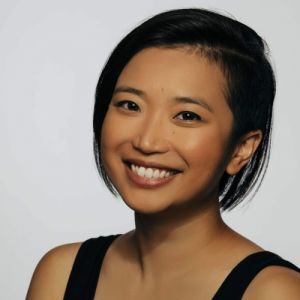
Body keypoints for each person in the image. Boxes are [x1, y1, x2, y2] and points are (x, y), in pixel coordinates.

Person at [26, 8, 300, 299]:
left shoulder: (273, 292)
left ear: (241, 148)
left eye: (186, 115)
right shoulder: (62, 274)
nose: (147, 141)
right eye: (130, 105)